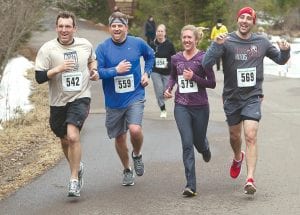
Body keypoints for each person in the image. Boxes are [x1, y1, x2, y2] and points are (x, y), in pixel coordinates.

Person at [202, 6, 290, 195]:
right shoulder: (227, 41)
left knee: (250, 135)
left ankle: (250, 178)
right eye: (242, 17)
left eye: (248, 18)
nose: (244, 21)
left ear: (253, 22)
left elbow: (281, 60)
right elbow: (205, 64)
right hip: (232, 98)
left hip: (253, 96)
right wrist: (216, 45)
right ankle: (237, 156)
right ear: (237, 20)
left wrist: (286, 50)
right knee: (235, 137)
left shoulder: (262, 42)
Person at [35, 11, 99, 197]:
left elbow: (92, 59)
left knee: (72, 136)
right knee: (64, 139)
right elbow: (39, 77)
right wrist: (58, 69)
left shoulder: (84, 44)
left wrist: (93, 70)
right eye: (61, 26)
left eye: (68, 26)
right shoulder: (48, 49)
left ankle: (73, 180)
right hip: (57, 102)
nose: (64, 30)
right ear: (56, 28)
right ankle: (77, 166)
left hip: (80, 97)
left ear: (74, 28)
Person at [95, 11, 155, 186]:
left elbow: (150, 56)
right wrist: (116, 70)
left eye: (120, 25)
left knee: (135, 129)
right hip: (113, 101)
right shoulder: (103, 48)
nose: (116, 29)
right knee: (120, 138)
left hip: (135, 95)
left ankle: (137, 154)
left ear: (126, 28)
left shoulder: (137, 43)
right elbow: (98, 73)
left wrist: (146, 73)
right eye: (113, 26)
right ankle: (127, 169)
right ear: (109, 28)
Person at [164, 25, 216, 197]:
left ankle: (205, 148)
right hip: (181, 106)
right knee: (187, 143)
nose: (186, 40)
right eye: (184, 37)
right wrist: (169, 88)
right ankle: (190, 185)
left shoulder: (204, 58)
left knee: (198, 142)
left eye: (189, 38)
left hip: (201, 107)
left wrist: (193, 77)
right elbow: (172, 76)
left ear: (196, 39)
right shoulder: (176, 58)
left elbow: (212, 83)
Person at [150, 24, 176, 118]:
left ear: (165, 33)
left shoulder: (169, 44)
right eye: (158, 31)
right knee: (159, 90)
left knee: (165, 91)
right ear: (156, 33)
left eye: (162, 31)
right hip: (155, 71)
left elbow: (174, 58)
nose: (160, 33)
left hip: (167, 72)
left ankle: (165, 95)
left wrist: (168, 64)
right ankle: (163, 109)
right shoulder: (152, 44)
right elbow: (149, 57)